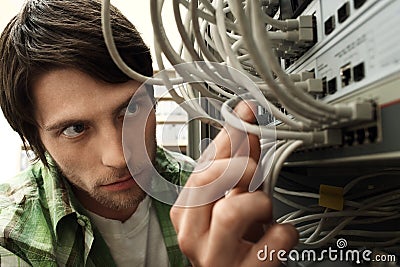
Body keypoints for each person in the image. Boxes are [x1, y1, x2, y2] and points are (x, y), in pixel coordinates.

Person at [0, 0, 298, 266]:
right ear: (34, 138)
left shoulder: (209, 196)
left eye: (131, 111)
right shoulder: (11, 236)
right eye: (75, 129)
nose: (119, 156)